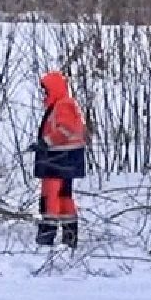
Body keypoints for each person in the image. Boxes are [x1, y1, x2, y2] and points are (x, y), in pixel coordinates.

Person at [32, 70, 88, 248]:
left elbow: (65, 129)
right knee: (64, 197)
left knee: (51, 197)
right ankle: (69, 236)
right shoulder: (61, 104)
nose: (43, 94)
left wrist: (45, 143)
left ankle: (46, 237)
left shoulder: (63, 105)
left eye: (45, 90)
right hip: (64, 158)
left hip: (59, 158)